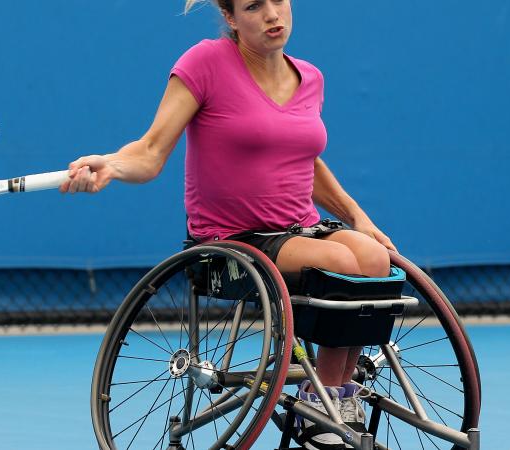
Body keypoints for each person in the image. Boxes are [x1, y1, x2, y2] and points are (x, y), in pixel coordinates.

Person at [61, 1, 396, 448]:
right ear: (232, 18)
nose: (272, 14)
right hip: (232, 243)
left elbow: (303, 159)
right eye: (254, 6)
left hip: (301, 228)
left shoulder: (310, 77)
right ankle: (324, 401)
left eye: (278, 1)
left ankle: (333, 391)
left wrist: (358, 217)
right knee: (341, 260)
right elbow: (150, 151)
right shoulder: (204, 63)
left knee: (375, 258)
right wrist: (111, 166)